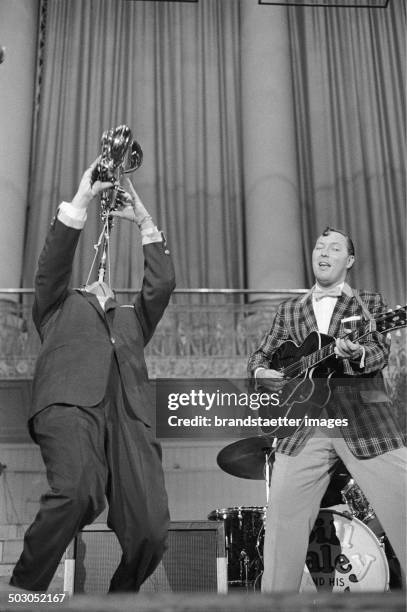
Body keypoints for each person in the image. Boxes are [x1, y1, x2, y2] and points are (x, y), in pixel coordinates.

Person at [9, 160, 175, 592]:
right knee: (78, 490)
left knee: (152, 531)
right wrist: (83, 197)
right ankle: (24, 594)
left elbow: (162, 284)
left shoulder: (132, 317)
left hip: (130, 417)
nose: (102, 280)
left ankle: (119, 600)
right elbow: (53, 265)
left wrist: (143, 219)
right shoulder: (58, 305)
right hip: (70, 405)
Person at [248, 227, 406, 592]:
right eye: (320, 246)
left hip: (362, 417)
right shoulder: (289, 309)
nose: (324, 252)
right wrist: (261, 372)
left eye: (334, 247)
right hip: (303, 425)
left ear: (348, 260)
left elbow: (381, 351)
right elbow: (262, 353)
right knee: (282, 525)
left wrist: (360, 353)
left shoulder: (367, 302)